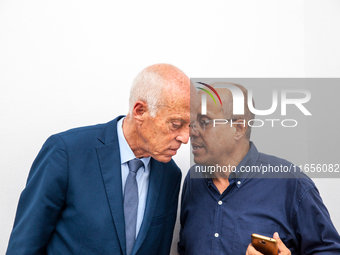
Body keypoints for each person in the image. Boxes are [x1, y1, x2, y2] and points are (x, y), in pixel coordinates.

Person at [7, 64, 190, 255]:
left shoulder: (170, 174)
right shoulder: (66, 153)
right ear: (140, 111)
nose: (185, 138)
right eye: (176, 124)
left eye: (190, 126)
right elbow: (24, 247)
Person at [178, 83, 340, 255]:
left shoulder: (290, 182)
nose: (191, 132)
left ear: (238, 128)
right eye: (192, 122)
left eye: (203, 122)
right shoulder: (193, 180)